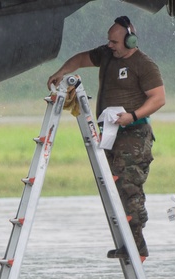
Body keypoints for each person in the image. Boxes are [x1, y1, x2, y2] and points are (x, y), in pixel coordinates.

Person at [46, 15, 165, 259]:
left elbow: (158, 99)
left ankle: (137, 247)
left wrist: (132, 116)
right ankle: (128, 243)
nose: (110, 45)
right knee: (114, 188)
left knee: (129, 188)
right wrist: (61, 72)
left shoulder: (144, 65)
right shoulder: (108, 55)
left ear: (130, 41)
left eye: (115, 42)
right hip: (110, 132)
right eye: (109, 41)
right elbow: (80, 58)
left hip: (134, 134)